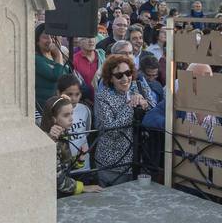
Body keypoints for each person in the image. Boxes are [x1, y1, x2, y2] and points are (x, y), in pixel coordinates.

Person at [95, 54, 151, 187]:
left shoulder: (138, 86)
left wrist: (145, 104)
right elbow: (111, 131)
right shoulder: (102, 96)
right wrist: (130, 106)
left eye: (128, 73)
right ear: (110, 78)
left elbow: (154, 111)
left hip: (139, 160)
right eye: (119, 75)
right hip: (114, 164)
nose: (125, 78)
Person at [42, 95, 98, 197]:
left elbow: (64, 165)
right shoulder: (50, 140)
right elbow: (58, 181)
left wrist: (79, 158)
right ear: (53, 119)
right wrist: (83, 188)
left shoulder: (62, 134)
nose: (71, 119)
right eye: (66, 115)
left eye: (72, 113)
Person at [34, 23, 71, 112]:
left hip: (62, 107)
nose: (50, 40)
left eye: (52, 37)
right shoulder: (36, 59)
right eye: (46, 37)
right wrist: (58, 54)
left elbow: (68, 77)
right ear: (37, 41)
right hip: (46, 109)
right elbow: (57, 77)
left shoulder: (57, 58)